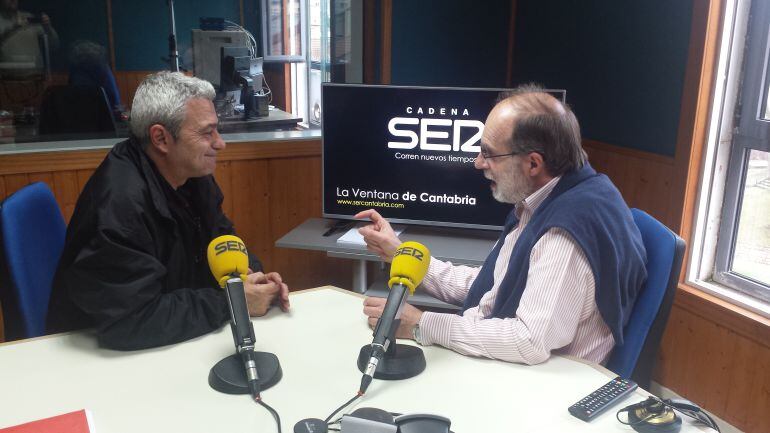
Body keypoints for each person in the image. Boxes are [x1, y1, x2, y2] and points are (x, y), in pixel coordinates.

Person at [356, 85, 646, 365]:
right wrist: (401, 254)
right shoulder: (548, 198)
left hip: (536, 387)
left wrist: (422, 323)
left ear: (533, 164)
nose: (478, 163)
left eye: (489, 153)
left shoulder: (563, 233)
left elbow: (527, 341)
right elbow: (491, 286)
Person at [46, 72, 290, 350]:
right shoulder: (119, 207)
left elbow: (221, 239)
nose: (220, 143)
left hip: (165, 337)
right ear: (161, 138)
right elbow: (131, 321)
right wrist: (233, 302)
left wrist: (253, 277)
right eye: (206, 132)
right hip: (96, 358)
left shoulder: (190, 175)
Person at [0, 0, 58, 74]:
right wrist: (12, 28)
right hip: (5, 80)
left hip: (36, 78)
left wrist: (48, 27)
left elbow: (54, 45)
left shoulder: (29, 18)